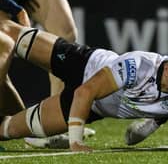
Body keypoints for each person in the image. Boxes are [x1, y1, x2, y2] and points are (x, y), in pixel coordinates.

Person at [1, 16, 168, 152]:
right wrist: (75, 142)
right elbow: (85, 92)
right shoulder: (139, 66)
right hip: (82, 64)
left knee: (7, 130)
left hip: (90, 109)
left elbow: (143, 128)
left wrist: (149, 126)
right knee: (11, 34)